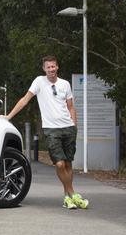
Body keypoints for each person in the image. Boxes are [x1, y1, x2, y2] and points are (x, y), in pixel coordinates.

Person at [5, 55, 89, 209]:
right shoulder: (39, 82)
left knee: (68, 164)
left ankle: (67, 198)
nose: (51, 69)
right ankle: (73, 193)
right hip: (51, 129)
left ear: (57, 67)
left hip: (68, 128)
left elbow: (70, 107)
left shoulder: (65, 84)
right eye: (48, 67)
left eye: (53, 66)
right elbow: (25, 99)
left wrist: (75, 126)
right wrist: (9, 116)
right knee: (59, 164)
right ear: (44, 69)